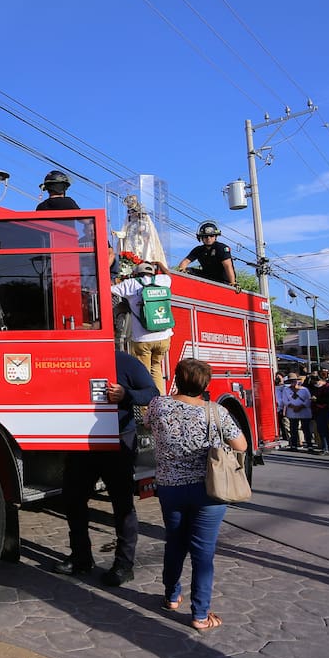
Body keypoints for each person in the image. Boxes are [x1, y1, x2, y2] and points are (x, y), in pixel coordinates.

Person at [145, 358, 247, 631]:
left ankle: (171, 596)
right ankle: (200, 615)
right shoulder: (216, 412)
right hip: (209, 491)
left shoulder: (159, 406)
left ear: (176, 379)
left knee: (174, 543)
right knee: (203, 553)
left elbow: (147, 424)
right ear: (206, 384)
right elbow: (241, 444)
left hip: (170, 488)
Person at [53, 350, 158, 587]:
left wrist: (126, 394)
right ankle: (80, 558)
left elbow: (152, 393)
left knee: (122, 504)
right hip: (82, 441)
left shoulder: (125, 361)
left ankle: (124, 565)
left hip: (118, 440)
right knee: (73, 499)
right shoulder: (72, 360)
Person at [110, 261, 173, 394]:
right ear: (153, 272)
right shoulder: (163, 280)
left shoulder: (131, 284)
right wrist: (160, 264)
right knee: (156, 368)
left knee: (143, 377)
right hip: (164, 337)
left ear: (136, 274)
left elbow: (109, 289)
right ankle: (160, 404)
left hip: (142, 339)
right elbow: (169, 274)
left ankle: (147, 410)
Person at [175, 221, 236, 286]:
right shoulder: (198, 249)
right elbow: (185, 262)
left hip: (223, 281)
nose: (208, 238)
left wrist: (232, 283)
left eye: (211, 236)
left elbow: (228, 266)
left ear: (216, 236)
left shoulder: (222, 248)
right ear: (201, 238)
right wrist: (181, 271)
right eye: (205, 236)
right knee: (187, 271)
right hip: (208, 278)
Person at [309, 370, 329, 454]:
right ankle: (326, 447)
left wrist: (316, 399)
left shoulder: (328, 387)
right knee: (321, 430)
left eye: (317, 379)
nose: (315, 382)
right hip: (317, 411)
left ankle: (327, 448)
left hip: (325, 410)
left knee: (324, 430)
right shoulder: (315, 387)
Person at [283, 374, 313, 450]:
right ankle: (294, 445)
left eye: (294, 381)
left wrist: (300, 407)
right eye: (291, 381)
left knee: (306, 429)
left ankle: (309, 445)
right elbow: (285, 400)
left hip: (304, 412)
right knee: (293, 429)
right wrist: (293, 407)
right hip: (292, 412)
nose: (293, 382)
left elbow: (308, 400)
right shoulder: (286, 390)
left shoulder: (304, 389)